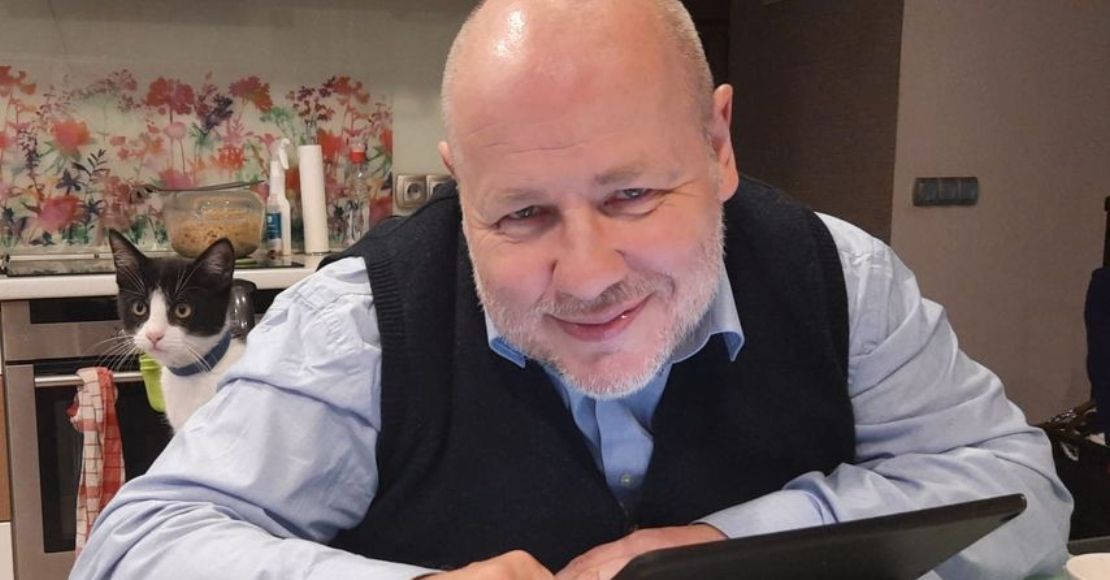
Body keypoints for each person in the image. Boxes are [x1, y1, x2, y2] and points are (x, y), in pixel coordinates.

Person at [71, 1, 1073, 578]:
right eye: (520, 214)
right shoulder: (361, 325)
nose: (589, 275)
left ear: (718, 143)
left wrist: (727, 544)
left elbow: (1022, 491)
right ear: (461, 185)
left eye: (634, 194)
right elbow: (136, 547)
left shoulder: (842, 281)